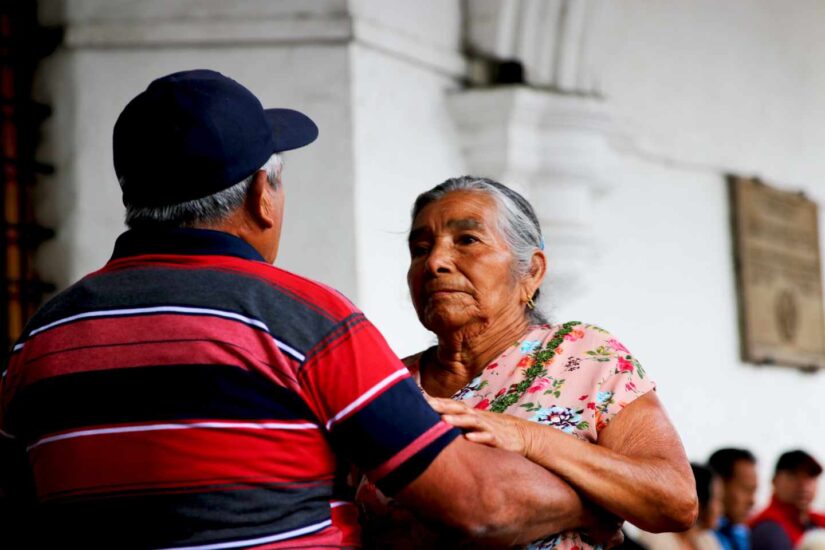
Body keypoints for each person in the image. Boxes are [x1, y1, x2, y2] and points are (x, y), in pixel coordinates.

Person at [0, 71, 616, 548]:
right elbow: (481, 508)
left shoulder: (43, 335)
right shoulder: (303, 322)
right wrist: (603, 498)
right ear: (261, 197)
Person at [357, 175, 698, 549]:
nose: (435, 262)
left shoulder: (584, 356)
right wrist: (592, 503)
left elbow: (674, 501)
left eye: (467, 240)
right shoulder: (386, 383)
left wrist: (528, 436)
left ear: (531, 271)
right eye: (420, 248)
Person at [636, 464, 724, 550]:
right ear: (697, 503)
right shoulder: (653, 539)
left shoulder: (707, 539)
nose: (721, 509)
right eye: (717, 499)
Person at [750, 450, 825, 550]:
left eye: (810, 476)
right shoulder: (769, 528)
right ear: (774, 481)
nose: (803, 484)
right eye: (793, 475)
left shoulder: (817, 522)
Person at [708, 448, 758, 550]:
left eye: (753, 491)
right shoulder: (697, 535)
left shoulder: (741, 534)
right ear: (719, 485)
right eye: (746, 490)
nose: (752, 501)